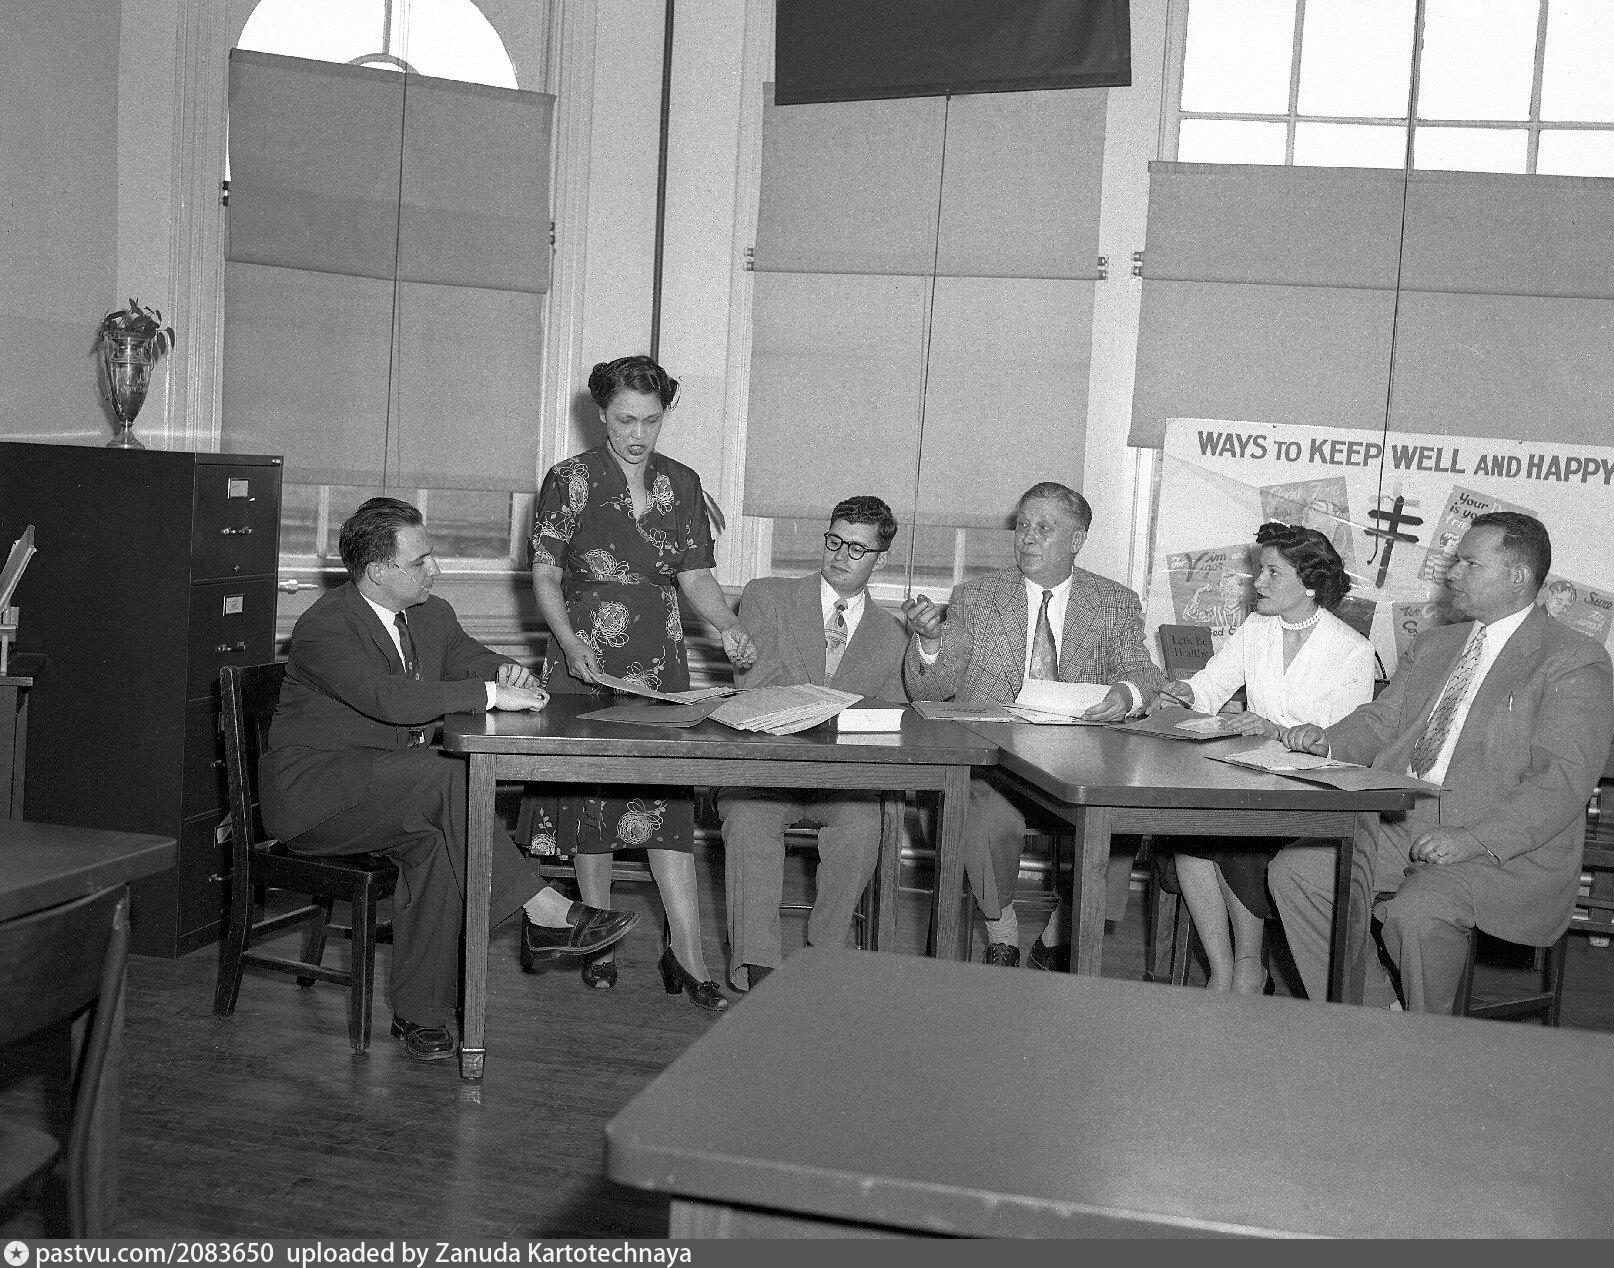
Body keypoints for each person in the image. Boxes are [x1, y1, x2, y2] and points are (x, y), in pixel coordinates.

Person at [261, 498, 639, 1062]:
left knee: (442, 842)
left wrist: (504, 672)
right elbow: (391, 700)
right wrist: (489, 694)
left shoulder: (430, 614)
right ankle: (542, 909)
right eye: (421, 561)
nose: (433, 569)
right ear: (378, 571)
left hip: (392, 793)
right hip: (318, 801)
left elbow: (470, 658)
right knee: (446, 777)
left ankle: (418, 1016)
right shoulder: (325, 627)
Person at [1269, 512, 1613, 1013]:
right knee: (1299, 873)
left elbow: (1561, 781)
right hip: (1405, 818)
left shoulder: (1573, 659)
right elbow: (1383, 721)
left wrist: (1474, 839)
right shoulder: (1435, 644)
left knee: (1418, 914)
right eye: (1455, 561)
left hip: (1501, 846)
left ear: (1518, 577)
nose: (1453, 573)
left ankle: (1430, 1040)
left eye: (1470, 564)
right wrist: (1328, 742)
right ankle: (1374, 1016)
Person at [530, 354, 755, 1012]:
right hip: (584, 652)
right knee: (591, 799)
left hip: (658, 658)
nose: (637, 433)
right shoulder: (568, 480)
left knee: (664, 802)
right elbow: (545, 574)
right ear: (601, 414)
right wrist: (570, 645)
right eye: (625, 419)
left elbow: (695, 577)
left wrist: (727, 626)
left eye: (650, 421)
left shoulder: (681, 483)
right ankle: (597, 937)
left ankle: (687, 950)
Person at [902, 482, 1167, 968]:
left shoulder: (1114, 601)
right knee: (981, 815)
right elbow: (933, 690)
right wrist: (932, 642)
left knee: (1120, 817)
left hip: (1078, 763)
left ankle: (1063, 929)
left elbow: (1144, 672)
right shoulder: (975, 597)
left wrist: (1125, 694)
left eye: (1044, 528)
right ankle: (1001, 928)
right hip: (996, 765)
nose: (1028, 537)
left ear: (1077, 540)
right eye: (1023, 525)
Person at [1154, 522, 1375, 993]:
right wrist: (1182, 693)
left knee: (1237, 841)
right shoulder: (1256, 628)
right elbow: (1210, 685)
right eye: (1260, 570)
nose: (1259, 582)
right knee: (1189, 836)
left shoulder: (1352, 650)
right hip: (1251, 774)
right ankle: (1222, 970)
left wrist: (1275, 730)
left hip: (1311, 793)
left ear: (1309, 583)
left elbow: (1341, 745)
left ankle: (1250, 969)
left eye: (1273, 572)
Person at [716, 496, 909, 991]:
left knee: (862, 827)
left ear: (881, 557)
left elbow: (888, 723)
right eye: (834, 541)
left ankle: (824, 959)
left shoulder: (893, 635)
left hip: (841, 783)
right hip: (767, 773)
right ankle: (757, 966)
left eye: (857, 549)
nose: (841, 556)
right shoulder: (767, 596)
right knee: (747, 818)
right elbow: (752, 685)